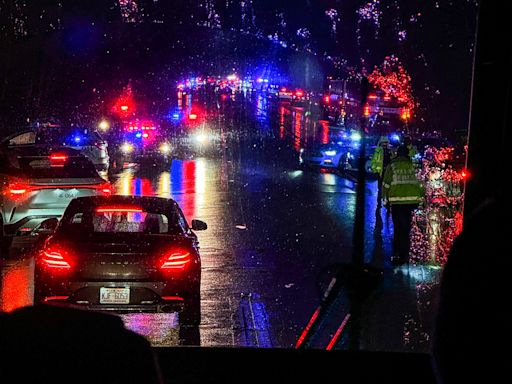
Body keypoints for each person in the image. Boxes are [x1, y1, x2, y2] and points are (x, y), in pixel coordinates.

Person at [382, 145, 424, 265]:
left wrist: (385, 202)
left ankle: (396, 254)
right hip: (411, 203)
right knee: (406, 229)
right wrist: (421, 200)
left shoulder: (392, 166)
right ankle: (405, 255)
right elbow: (420, 184)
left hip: (396, 203)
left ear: (397, 154)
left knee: (398, 229)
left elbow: (385, 185)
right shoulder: (413, 166)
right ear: (407, 154)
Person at [371, 135, 393, 206]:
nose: (384, 144)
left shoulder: (390, 151)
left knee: (388, 187)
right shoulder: (378, 151)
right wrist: (375, 171)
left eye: (386, 143)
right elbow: (374, 161)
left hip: (388, 172)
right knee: (380, 188)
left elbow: (392, 160)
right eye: (383, 143)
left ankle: (387, 201)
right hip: (381, 172)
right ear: (380, 143)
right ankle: (379, 202)